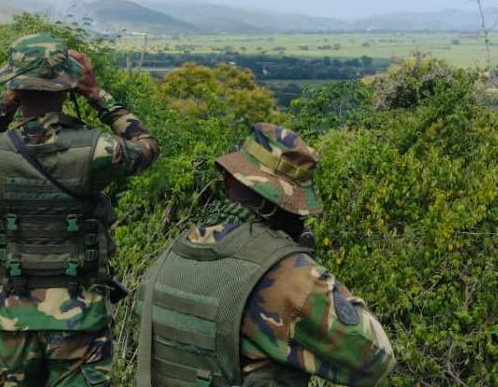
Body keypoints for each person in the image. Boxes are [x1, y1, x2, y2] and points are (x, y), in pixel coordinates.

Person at [0, 33, 160, 387]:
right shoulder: (95, 150)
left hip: (15, 317)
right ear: (67, 87)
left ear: (15, 89)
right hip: (79, 318)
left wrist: (5, 103)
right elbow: (146, 146)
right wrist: (97, 94)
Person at [136, 123, 395, 387]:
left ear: (228, 181)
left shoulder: (172, 255)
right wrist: (316, 272)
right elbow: (377, 358)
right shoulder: (288, 275)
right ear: (293, 206)